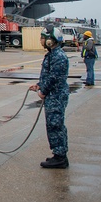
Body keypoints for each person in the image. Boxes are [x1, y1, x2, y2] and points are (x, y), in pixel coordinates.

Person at [29, 27, 70, 169]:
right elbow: (48, 75)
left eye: (42, 37)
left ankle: (60, 157)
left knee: (55, 125)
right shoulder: (52, 55)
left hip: (56, 95)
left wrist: (43, 91)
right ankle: (58, 154)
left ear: (50, 40)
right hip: (54, 94)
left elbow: (54, 77)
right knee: (54, 124)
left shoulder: (58, 56)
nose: (40, 40)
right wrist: (39, 85)